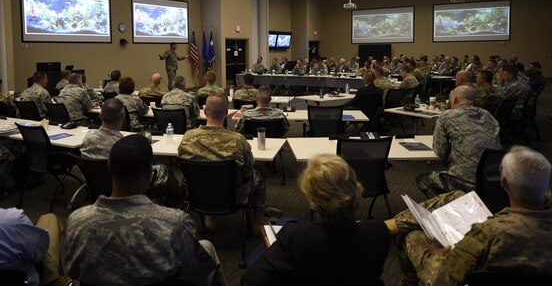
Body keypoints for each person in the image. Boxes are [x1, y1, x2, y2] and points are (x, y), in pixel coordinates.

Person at [65, 134, 226, 286]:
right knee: (207, 248)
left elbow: (72, 271)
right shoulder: (174, 222)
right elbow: (194, 273)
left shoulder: (77, 220)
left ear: (108, 167)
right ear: (150, 173)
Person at [391, 146, 552, 286]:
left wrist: (437, 257)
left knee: (411, 236)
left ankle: (388, 228)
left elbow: (441, 281)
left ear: (503, 182)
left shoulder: (487, 234)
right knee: (457, 196)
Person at [242, 154, 391, 286]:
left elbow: (250, 281)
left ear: (313, 200)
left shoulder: (295, 238)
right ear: (357, 190)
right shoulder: (379, 233)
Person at [178, 93, 266, 234]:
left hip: (199, 193)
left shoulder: (188, 137)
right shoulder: (238, 140)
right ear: (226, 112)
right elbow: (248, 171)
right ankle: (258, 219)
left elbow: (182, 166)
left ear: (205, 111)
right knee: (259, 174)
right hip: (233, 194)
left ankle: (210, 215)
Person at [416, 86, 501, 198]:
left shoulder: (446, 116)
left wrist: (452, 151)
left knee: (423, 179)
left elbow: (440, 151)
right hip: (494, 179)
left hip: (465, 182)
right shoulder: (488, 115)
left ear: (454, 100)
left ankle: (452, 207)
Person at [0, 208, 63, 286]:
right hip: (27, 280)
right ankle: (56, 279)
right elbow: (39, 253)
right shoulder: (13, 219)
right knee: (50, 218)